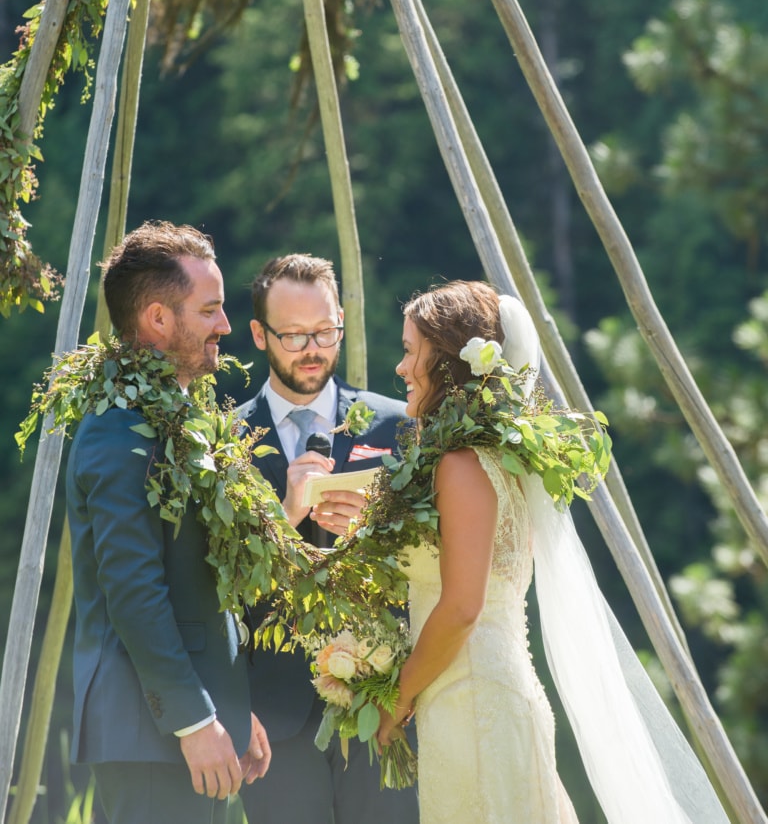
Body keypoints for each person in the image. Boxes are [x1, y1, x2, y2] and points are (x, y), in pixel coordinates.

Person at [376, 280, 731, 824]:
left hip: (473, 703)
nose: (400, 368)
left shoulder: (464, 466)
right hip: (481, 694)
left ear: (448, 363)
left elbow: (462, 607)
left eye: (409, 351)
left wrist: (397, 698)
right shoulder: (503, 461)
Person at [66, 221, 271, 824]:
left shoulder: (171, 417)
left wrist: (229, 708)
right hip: (149, 735)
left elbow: (194, 583)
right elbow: (133, 592)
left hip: (186, 727)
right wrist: (195, 719)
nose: (226, 326)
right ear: (158, 319)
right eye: (210, 310)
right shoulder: (117, 430)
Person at [237, 253, 419, 824]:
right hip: (270, 715)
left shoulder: (397, 424)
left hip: (381, 702)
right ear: (260, 335)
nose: (312, 348)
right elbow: (208, 578)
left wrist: (378, 528)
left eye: (325, 331)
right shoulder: (224, 440)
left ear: (341, 318)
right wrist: (283, 518)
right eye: (293, 335)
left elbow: (436, 554)